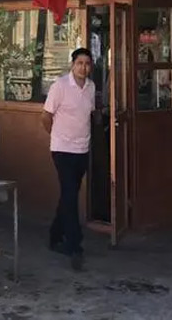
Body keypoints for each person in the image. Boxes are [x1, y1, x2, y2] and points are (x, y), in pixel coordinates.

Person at [42, 47, 95, 271]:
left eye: (87, 64)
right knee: (71, 195)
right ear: (72, 65)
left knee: (68, 194)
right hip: (62, 149)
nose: (83, 67)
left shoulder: (91, 87)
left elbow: (89, 115)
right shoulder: (60, 86)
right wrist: (57, 136)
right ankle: (74, 244)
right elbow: (46, 116)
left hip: (82, 149)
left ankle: (55, 235)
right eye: (80, 63)